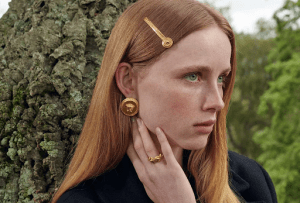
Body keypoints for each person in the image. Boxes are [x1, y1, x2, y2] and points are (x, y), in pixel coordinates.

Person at [52, 0, 278, 202]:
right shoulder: (85, 199)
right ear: (128, 81)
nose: (218, 102)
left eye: (221, 78)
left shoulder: (252, 181)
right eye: (193, 76)